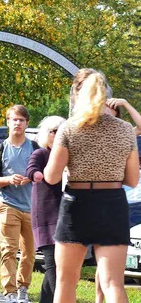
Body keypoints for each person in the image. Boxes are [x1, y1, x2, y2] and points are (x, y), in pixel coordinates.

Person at [44, 69, 139, 303]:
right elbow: (132, 180)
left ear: (77, 94)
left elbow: (52, 177)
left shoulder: (68, 128)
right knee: (112, 283)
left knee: (66, 282)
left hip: (77, 204)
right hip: (113, 204)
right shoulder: (125, 129)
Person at [0, 105, 36, 303]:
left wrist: (31, 178)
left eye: (21, 120)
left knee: (29, 253)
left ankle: (24, 288)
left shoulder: (35, 148)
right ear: (7, 122)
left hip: (32, 206)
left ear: (26, 124)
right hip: (8, 204)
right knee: (8, 250)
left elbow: (45, 175)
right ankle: (10, 292)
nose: (17, 123)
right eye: (14, 119)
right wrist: (8, 179)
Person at [25, 115, 65, 303]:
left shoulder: (67, 155)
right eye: (53, 131)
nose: (57, 135)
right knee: (53, 265)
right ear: (45, 134)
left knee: (59, 265)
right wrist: (37, 174)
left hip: (65, 216)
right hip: (46, 217)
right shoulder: (41, 153)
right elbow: (31, 169)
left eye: (61, 131)